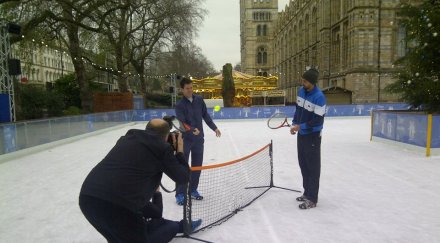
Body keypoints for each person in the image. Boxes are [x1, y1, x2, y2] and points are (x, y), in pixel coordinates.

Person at [79, 119, 200, 242]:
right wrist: (179, 151)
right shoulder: (161, 148)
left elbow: (155, 213)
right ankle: (179, 226)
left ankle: (178, 226)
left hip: (88, 199)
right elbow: (183, 177)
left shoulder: (126, 140)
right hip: (120, 206)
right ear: (166, 136)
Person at [174, 77, 221, 205]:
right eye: (187, 88)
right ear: (182, 89)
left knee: (197, 166)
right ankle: (180, 193)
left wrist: (214, 127)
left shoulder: (199, 100)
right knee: (183, 167)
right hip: (185, 140)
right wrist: (192, 129)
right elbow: (182, 122)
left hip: (199, 140)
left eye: (191, 88)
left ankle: (193, 190)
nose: (190, 90)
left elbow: (205, 115)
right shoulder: (179, 105)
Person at [290, 68, 326, 210]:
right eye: (302, 80)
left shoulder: (319, 97)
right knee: (303, 165)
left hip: (312, 136)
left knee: (313, 168)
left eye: (305, 81)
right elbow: (298, 110)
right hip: (302, 135)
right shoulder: (301, 91)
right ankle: (307, 192)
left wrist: (301, 126)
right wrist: (294, 124)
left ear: (311, 82)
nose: (302, 82)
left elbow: (318, 121)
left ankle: (312, 198)